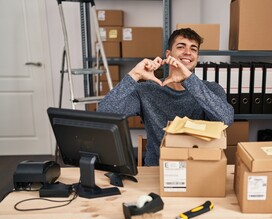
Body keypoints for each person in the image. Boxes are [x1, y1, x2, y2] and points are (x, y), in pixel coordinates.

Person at [97, 28, 234, 166]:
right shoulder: (146, 90)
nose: (188, 52)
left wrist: (188, 79)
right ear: (168, 54)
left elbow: (226, 119)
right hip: (157, 169)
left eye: (194, 49)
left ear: (197, 58)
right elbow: (105, 113)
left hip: (198, 168)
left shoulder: (211, 89)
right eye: (181, 47)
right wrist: (134, 75)